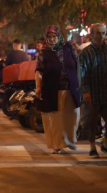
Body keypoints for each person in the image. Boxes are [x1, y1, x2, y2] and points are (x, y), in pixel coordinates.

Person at [35, 25, 80, 154]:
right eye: (48, 37)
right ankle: (57, 144)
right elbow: (38, 71)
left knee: (74, 116)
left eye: (53, 36)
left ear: (58, 36)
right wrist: (38, 87)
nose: (51, 39)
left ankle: (69, 140)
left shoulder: (69, 48)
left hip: (71, 88)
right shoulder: (43, 53)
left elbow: (77, 65)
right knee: (55, 119)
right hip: (52, 89)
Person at [79, 23, 107, 158]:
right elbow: (82, 73)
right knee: (90, 122)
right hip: (92, 93)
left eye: (103, 33)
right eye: (97, 33)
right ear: (91, 35)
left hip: (105, 92)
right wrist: (85, 91)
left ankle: (105, 143)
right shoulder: (85, 53)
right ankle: (92, 148)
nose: (100, 36)